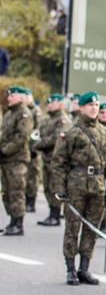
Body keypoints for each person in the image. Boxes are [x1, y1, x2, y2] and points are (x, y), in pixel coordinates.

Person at [51, 92, 106, 285]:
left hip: (97, 187)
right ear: (81, 107)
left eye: (96, 105)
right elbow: (58, 162)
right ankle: (70, 268)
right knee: (73, 227)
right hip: (76, 186)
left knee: (92, 228)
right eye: (90, 105)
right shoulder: (71, 132)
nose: (94, 108)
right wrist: (60, 188)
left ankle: (84, 268)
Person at [1, 87, 33, 235]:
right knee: (7, 192)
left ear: (20, 97)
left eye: (12, 96)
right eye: (9, 96)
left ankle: (18, 224)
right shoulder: (9, 114)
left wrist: (5, 150)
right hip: (6, 160)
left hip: (17, 160)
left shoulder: (23, 113)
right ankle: (12, 221)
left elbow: (22, 137)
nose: (9, 98)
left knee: (17, 191)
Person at [36, 94, 71, 226]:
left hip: (56, 159)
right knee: (46, 187)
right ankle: (51, 212)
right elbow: (40, 134)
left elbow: (57, 138)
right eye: (49, 103)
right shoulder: (46, 120)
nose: (50, 105)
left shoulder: (62, 120)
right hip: (46, 158)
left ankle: (55, 214)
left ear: (60, 104)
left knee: (54, 187)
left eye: (53, 103)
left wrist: (40, 144)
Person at [25, 91, 43, 213]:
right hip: (25, 150)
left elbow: (37, 131)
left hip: (33, 150)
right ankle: (27, 200)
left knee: (32, 177)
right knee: (26, 177)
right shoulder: (24, 111)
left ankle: (31, 202)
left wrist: (34, 148)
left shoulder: (35, 112)